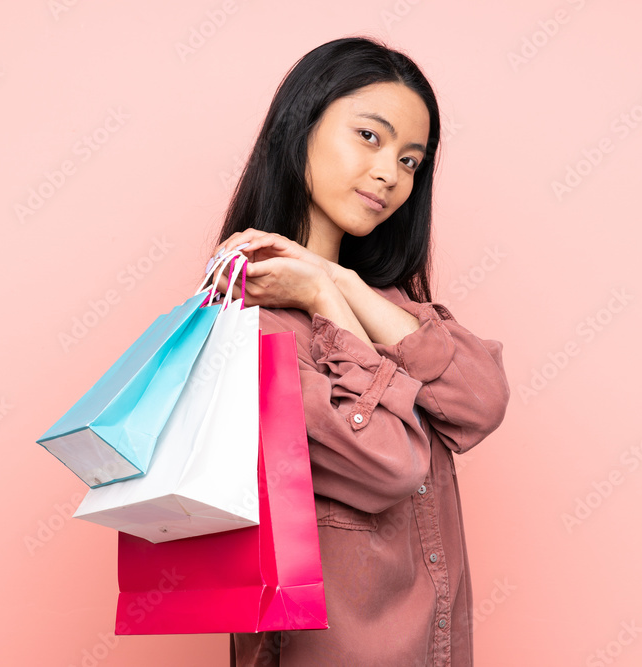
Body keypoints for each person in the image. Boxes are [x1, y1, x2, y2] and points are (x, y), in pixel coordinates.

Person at [210, 36, 510, 666]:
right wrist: (324, 298)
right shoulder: (248, 327)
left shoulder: (385, 300)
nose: (389, 173)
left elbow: (481, 403)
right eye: (370, 138)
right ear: (300, 128)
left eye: (410, 160)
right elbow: (391, 463)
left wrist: (335, 282)